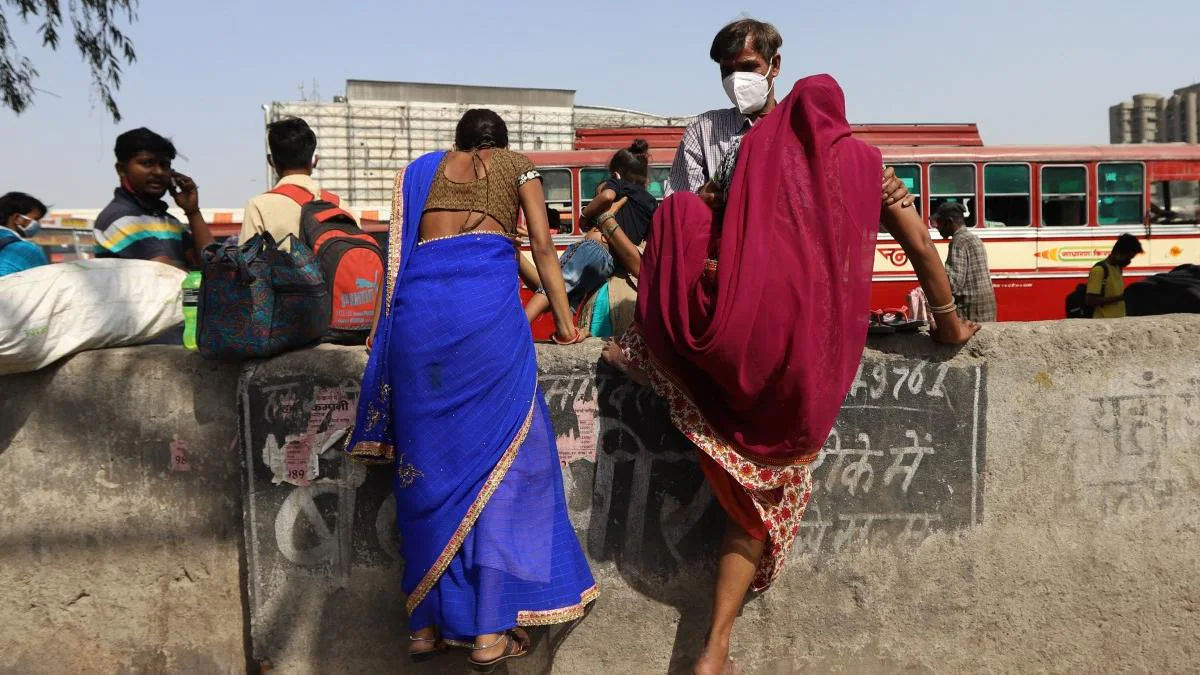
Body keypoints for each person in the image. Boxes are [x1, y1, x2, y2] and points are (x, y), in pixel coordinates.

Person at [604, 71, 979, 675]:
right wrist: (950, 324)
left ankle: (715, 650)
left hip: (736, 347)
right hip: (804, 370)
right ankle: (716, 647)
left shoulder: (755, 154)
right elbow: (918, 245)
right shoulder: (864, 166)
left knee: (739, 499)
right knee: (759, 506)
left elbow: (688, 218)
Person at [344, 109, 596, 671]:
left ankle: (424, 626)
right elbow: (546, 252)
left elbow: (397, 263)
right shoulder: (518, 167)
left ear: (456, 143)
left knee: (427, 467)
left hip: (418, 328)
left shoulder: (419, 173)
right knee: (507, 468)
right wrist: (565, 321)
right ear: (499, 146)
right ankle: (487, 633)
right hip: (484, 328)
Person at [664, 18, 913, 208]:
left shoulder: (806, 128)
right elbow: (674, 208)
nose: (736, 79)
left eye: (748, 67)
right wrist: (700, 201)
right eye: (727, 71)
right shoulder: (704, 130)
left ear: (775, 66)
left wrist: (883, 185)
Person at [524, 139, 656, 325]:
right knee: (571, 298)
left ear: (616, 174)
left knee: (553, 286)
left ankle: (520, 324)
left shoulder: (617, 185)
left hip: (594, 247)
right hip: (610, 263)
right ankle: (566, 331)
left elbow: (607, 196)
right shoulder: (650, 202)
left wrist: (585, 214)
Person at [93, 128, 213, 269]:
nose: (159, 172)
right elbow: (165, 274)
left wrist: (193, 212)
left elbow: (213, 264)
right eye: (147, 163)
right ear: (121, 170)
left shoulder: (171, 223)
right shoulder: (118, 219)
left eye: (165, 165)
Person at [239, 117, 352, 248]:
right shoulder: (341, 206)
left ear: (271, 162)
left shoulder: (258, 207)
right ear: (314, 161)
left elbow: (247, 263)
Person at [934, 201, 997, 322]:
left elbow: (954, 284)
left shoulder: (958, 242)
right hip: (986, 308)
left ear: (949, 222)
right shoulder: (973, 238)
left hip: (970, 311)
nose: (937, 227)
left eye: (939, 223)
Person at [1086, 233, 1143, 318]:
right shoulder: (1099, 270)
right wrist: (1120, 297)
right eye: (1128, 258)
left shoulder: (1117, 268)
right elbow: (1090, 300)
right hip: (1104, 322)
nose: (1129, 262)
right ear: (1118, 253)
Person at [0, 192, 50, 278]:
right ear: (17, 218)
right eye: (36, 219)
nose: (38, 224)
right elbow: (45, 284)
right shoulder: (27, 249)